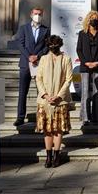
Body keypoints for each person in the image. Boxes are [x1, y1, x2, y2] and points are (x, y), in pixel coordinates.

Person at [35, 35, 72, 168]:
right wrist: (45, 94)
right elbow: (38, 78)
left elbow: (68, 79)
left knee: (58, 130)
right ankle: (48, 156)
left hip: (59, 100)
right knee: (47, 130)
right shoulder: (44, 59)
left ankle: (57, 155)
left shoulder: (66, 59)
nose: (53, 48)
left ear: (59, 46)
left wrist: (59, 96)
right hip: (45, 101)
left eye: (55, 46)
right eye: (51, 46)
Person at [14, 6, 50, 126]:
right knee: (23, 91)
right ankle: (20, 117)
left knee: (41, 92)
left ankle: (41, 116)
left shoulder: (46, 30)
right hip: (25, 63)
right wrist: (29, 56)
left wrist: (37, 56)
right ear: (31, 14)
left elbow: (46, 46)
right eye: (35, 14)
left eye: (40, 14)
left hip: (39, 64)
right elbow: (20, 44)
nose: (37, 16)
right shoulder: (24, 28)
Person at [76, 10, 98, 126]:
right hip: (85, 67)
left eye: (96, 18)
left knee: (96, 92)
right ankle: (85, 117)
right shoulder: (82, 33)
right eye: (92, 18)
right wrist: (86, 63)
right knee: (85, 92)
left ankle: (97, 117)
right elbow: (78, 49)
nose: (94, 20)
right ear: (88, 20)